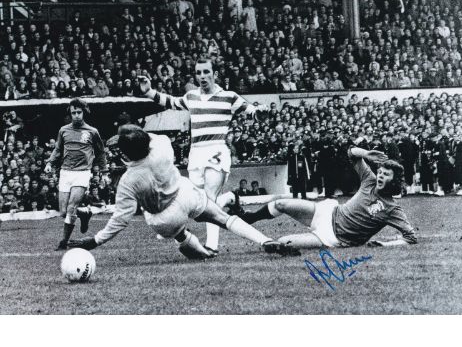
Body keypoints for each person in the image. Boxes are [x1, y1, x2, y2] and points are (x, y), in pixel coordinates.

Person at [68, 125, 298, 259]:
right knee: (224, 219)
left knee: (180, 235)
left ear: (125, 154)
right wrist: (131, 137)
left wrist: (95, 241)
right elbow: (151, 138)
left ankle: (203, 252)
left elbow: (120, 219)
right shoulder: (162, 148)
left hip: (163, 218)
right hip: (184, 193)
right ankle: (265, 240)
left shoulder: (128, 181)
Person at [137, 58, 268, 256]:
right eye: (199, 73)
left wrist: (261, 112)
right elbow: (170, 102)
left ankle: (212, 246)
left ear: (215, 74)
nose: (202, 77)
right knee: (198, 205)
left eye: (206, 72)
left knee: (209, 199)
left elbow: (252, 113)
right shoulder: (191, 97)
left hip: (216, 150)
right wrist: (148, 91)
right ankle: (230, 198)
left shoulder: (228, 96)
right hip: (196, 152)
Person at [241, 146, 418, 249]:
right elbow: (350, 153)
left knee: (282, 243)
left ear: (394, 180)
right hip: (329, 213)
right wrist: (365, 153)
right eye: (380, 172)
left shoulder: (392, 208)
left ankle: (263, 238)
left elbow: (411, 237)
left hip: (335, 236)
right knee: (280, 204)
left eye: (386, 174)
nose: (380, 176)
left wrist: (384, 244)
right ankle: (249, 218)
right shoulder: (369, 180)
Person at [45, 98, 108, 250]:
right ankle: (85, 214)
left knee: (71, 208)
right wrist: (49, 163)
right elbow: (58, 149)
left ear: (84, 113)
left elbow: (100, 153)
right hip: (65, 172)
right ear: (70, 114)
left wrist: (104, 173)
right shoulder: (63, 130)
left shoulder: (92, 132)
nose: (76, 116)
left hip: (82, 173)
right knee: (62, 211)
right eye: (74, 113)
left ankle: (64, 242)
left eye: (79, 112)